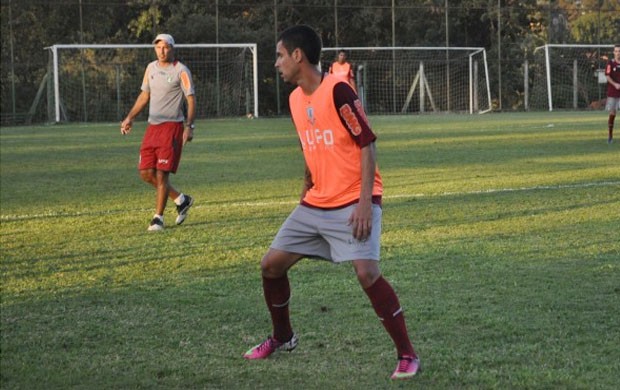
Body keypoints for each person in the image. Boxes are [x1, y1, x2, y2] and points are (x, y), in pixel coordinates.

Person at [242, 25, 420, 380]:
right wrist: (306, 187)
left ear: (298, 56)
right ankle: (283, 337)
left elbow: (367, 144)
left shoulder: (339, 90)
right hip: (315, 202)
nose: (276, 63)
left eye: (279, 55)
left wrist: (366, 203)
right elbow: (312, 144)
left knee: (367, 273)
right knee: (270, 266)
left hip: (354, 200)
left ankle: (408, 354)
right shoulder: (294, 99)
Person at [120, 33, 195, 231]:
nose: (162, 51)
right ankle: (181, 199)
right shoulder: (150, 68)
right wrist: (130, 117)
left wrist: (189, 126)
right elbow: (145, 95)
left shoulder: (181, 70)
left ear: (172, 48)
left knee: (162, 175)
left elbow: (191, 99)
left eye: (166, 47)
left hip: (172, 128)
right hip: (152, 128)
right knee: (145, 172)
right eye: (158, 47)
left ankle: (158, 218)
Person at [604, 44, 620, 144]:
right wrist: (615, 84)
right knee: (612, 113)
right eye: (616, 51)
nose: (618, 53)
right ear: (614, 52)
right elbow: (607, 76)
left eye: (619, 51)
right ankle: (610, 135)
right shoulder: (610, 63)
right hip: (613, 92)